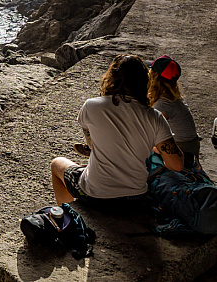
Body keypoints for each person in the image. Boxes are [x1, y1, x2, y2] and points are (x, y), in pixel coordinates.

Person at [51, 54, 184, 205]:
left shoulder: (91, 106)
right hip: (136, 198)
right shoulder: (155, 116)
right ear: (144, 82)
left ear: (111, 78)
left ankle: (66, 217)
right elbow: (177, 165)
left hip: (95, 195)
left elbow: (92, 146)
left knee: (57, 163)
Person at [148, 55, 200, 169]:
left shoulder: (163, 105)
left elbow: (150, 134)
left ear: (154, 77)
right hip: (189, 147)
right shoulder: (171, 98)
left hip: (184, 153)